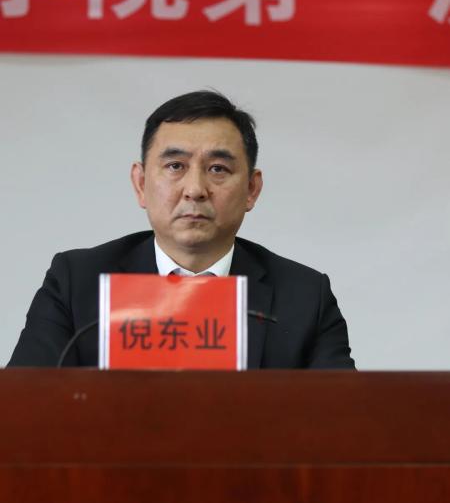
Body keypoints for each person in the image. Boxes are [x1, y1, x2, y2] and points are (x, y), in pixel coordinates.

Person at [8, 90, 355, 368]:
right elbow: (23, 407)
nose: (195, 189)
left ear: (251, 189)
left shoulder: (304, 297)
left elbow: (342, 420)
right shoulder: (77, 282)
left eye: (218, 169)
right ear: (141, 184)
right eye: (175, 166)